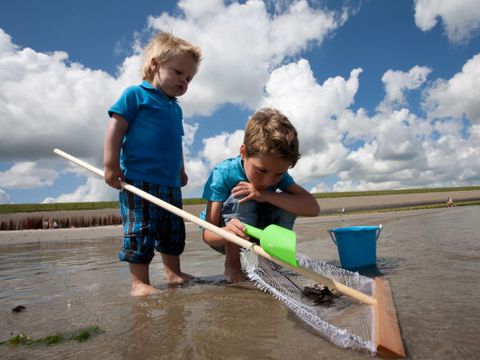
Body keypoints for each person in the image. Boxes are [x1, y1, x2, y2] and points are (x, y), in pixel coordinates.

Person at [104, 31, 202, 296]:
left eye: (189, 78)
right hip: (139, 178)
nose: (184, 81)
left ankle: (173, 273)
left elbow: (176, 141)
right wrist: (111, 164)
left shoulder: (175, 108)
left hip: (170, 182)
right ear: (155, 64)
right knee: (141, 230)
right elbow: (116, 127)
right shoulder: (136, 95)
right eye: (179, 72)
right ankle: (139, 283)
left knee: (173, 230)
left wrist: (180, 169)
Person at [202, 108, 320, 283]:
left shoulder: (277, 175)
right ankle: (232, 266)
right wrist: (227, 232)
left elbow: (312, 208)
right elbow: (208, 235)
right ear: (243, 152)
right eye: (261, 170)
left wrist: (264, 195)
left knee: (287, 200)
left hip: (260, 234)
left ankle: (269, 264)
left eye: (278, 174)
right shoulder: (223, 173)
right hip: (227, 238)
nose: (268, 180)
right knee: (241, 195)